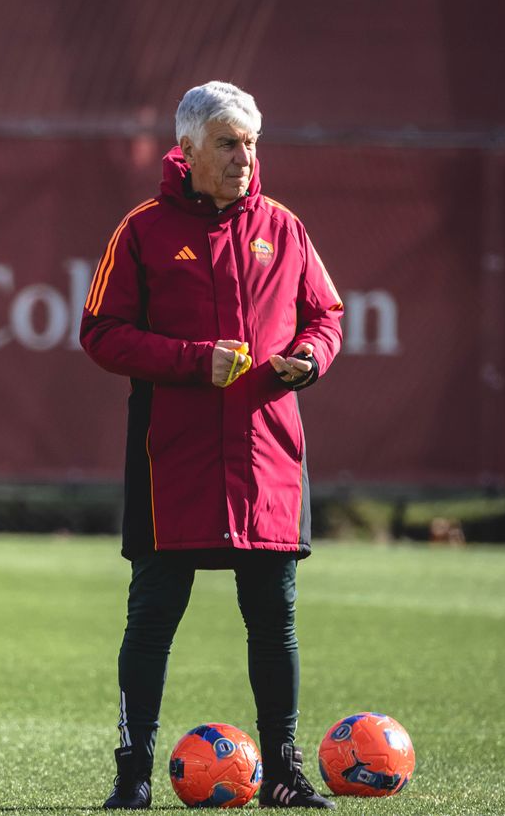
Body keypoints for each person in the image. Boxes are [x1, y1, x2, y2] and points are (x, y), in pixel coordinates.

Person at [79, 81, 343, 810]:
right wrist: (192, 360)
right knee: (153, 616)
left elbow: (325, 315)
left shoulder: (284, 227)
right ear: (188, 149)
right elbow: (98, 333)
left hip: (267, 460)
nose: (243, 158)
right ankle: (133, 773)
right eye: (228, 144)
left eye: (252, 143)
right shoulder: (141, 228)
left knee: (274, 620)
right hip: (174, 463)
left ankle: (283, 774)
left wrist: (309, 361)